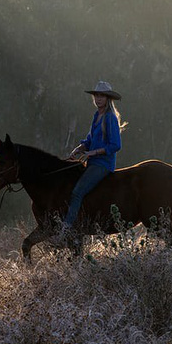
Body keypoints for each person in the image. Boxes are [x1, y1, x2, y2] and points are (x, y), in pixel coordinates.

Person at [60, 80, 126, 235]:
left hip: (103, 164)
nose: (98, 98)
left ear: (108, 98)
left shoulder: (110, 118)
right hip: (92, 162)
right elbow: (90, 140)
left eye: (102, 96)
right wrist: (80, 148)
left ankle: (66, 229)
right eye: (97, 95)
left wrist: (94, 153)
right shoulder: (97, 115)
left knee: (77, 192)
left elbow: (116, 145)